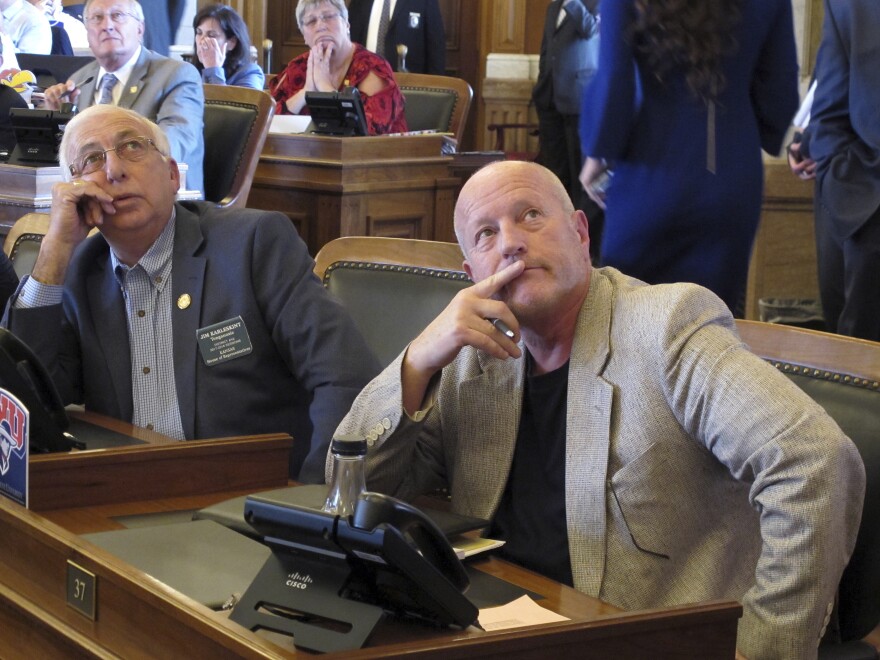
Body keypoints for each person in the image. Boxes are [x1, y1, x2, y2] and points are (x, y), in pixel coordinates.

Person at [332, 160, 865, 659]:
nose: (512, 243)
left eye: (531, 216)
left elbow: (815, 463)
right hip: (501, 626)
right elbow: (350, 494)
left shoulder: (666, 328)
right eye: (487, 234)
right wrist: (416, 363)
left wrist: (762, 649)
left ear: (581, 234)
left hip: (639, 639)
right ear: (471, 271)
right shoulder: (473, 360)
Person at [1, 104, 381, 482]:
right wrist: (55, 249)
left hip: (246, 499)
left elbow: (345, 377)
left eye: (132, 147)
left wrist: (314, 502)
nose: (114, 169)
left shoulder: (252, 245)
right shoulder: (81, 268)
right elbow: (26, 402)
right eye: (91, 160)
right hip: (123, 490)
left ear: (171, 176)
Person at [578, 0, 799, 313]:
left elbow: (615, 78)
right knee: (714, 333)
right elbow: (780, 89)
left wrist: (596, 156)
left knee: (627, 322)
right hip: (731, 176)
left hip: (649, 179)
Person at [41, 0, 205, 195]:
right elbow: (68, 161)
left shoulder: (176, 75)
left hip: (159, 199)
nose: (107, 25)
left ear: (140, 28)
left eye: (117, 16)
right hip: (92, 198)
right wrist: (59, 120)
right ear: (87, 33)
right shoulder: (79, 80)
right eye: (97, 18)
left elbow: (173, 146)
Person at [799, 0, 880, 342]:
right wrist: (837, 172)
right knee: (857, 376)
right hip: (865, 210)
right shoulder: (852, 5)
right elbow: (828, 109)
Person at [270, 0, 407, 136]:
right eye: (311, 21)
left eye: (328, 17)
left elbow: (368, 131)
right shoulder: (298, 67)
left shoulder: (371, 68)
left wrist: (325, 88)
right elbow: (267, 122)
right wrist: (305, 92)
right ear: (304, 36)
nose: (320, 26)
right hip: (309, 155)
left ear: (346, 24)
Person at [532, 0, 601, 256]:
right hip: (549, 99)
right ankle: (557, 240)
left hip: (578, 99)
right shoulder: (552, 7)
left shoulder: (595, 4)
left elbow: (592, 31)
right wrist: (540, 85)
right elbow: (547, 49)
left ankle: (581, 244)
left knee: (578, 175)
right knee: (556, 175)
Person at [347, 0, 445, 75]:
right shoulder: (359, 2)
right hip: (364, 85)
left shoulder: (424, 2)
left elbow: (436, 50)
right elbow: (349, 39)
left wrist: (435, 95)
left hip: (407, 90)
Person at [192, 4, 264, 90]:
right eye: (199, 33)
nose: (202, 42)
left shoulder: (250, 72)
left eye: (211, 35)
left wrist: (213, 69)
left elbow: (224, 103)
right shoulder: (190, 70)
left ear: (232, 42)